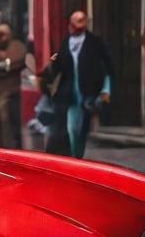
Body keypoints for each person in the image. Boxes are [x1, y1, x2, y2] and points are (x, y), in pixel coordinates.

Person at [40, 10, 113, 158]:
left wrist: (105, 90)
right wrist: (52, 65)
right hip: (70, 93)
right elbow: (59, 65)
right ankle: (74, 157)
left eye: (82, 21)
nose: (78, 25)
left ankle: (77, 155)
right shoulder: (66, 42)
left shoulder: (95, 42)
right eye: (76, 22)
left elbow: (106, 67)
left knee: (82, 129)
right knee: (72, 127)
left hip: (88, 91)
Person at [0, 22, 26, 148]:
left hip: (10, 94)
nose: (2, 37)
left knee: (8, 124)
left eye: (4, 33)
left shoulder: (17, 46)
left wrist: (5, 63)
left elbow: (14, 62)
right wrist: (0, 60)